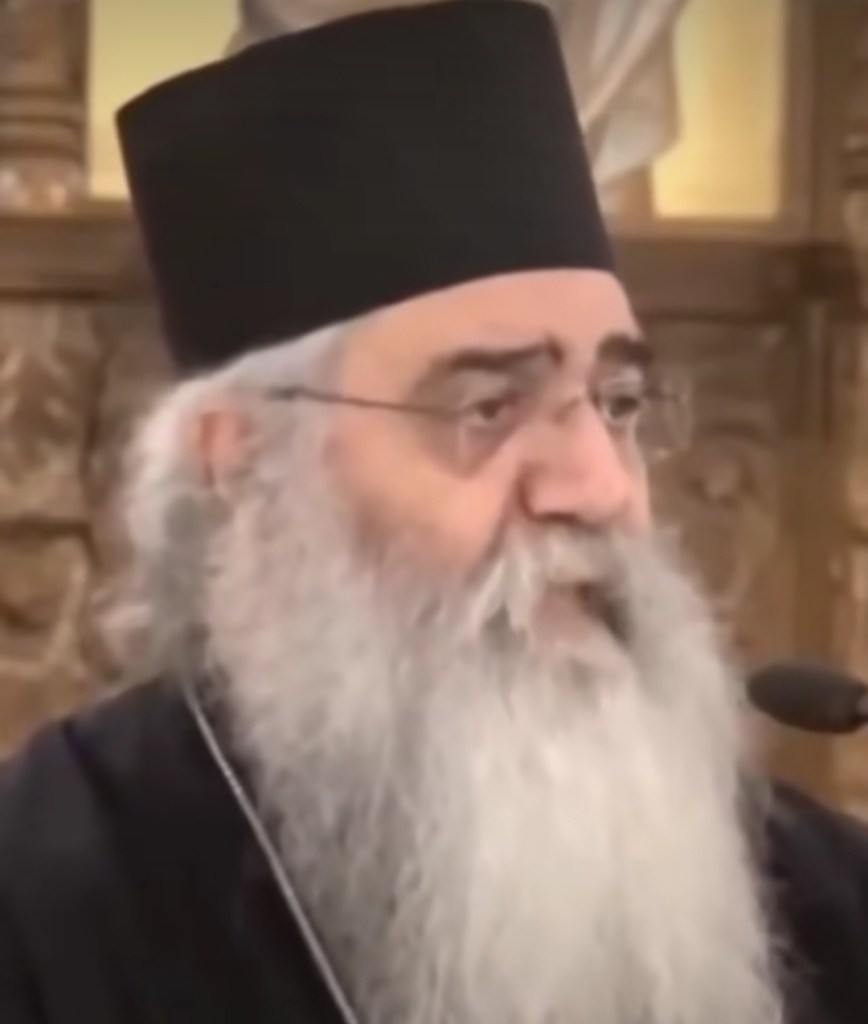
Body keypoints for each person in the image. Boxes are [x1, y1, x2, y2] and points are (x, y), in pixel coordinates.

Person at [0, 3, 866, 1023]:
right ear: (244, 464)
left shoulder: (821, 906)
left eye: (619, 402)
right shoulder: (43, 911)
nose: (599, 487)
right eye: (487, 407)